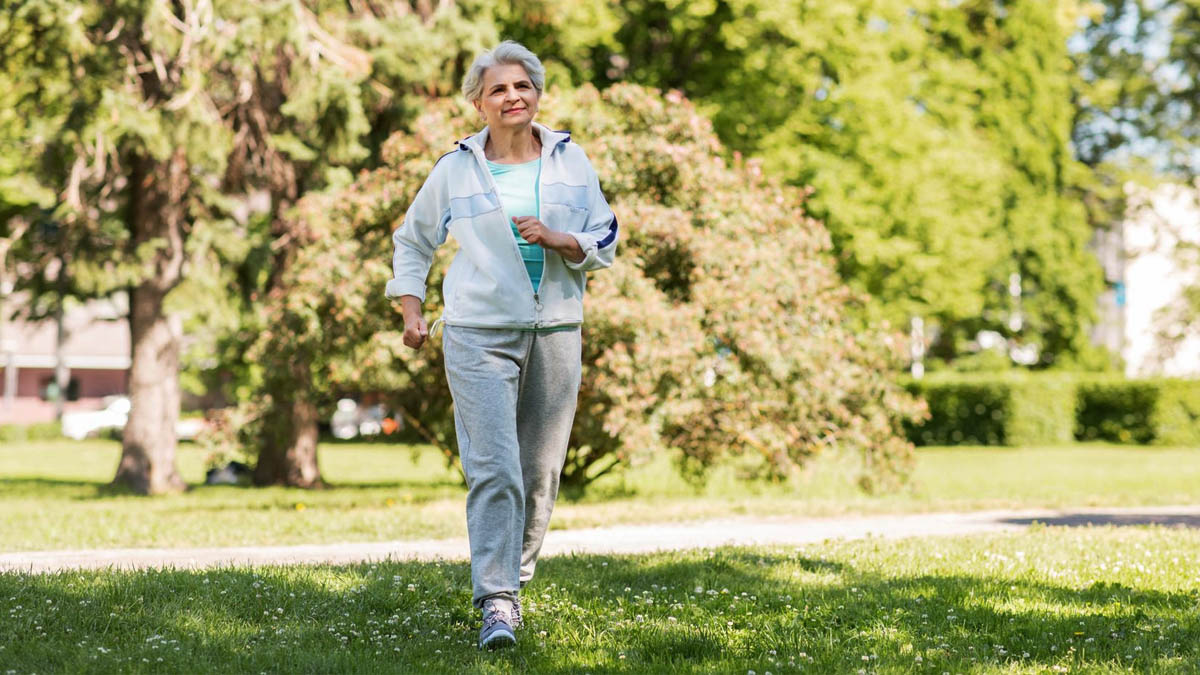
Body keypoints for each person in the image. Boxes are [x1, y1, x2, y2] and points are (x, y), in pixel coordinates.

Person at [385, 40, 618, 650]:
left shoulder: (571, 161)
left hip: (558, 333)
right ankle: (496, 600)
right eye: (498, 89)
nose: (512, 97)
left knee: (539, 473)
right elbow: (412, 242)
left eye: (522, 86)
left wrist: (561, 239)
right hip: (477, 332)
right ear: (478, 102)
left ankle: (512, 582)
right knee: (494, 469)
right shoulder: (457, 169)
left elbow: (606, 237)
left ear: (536, 94)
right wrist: (412, 310)